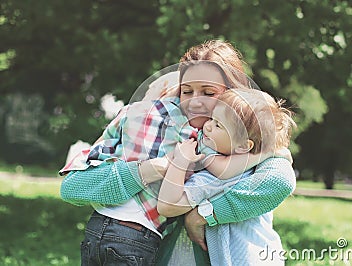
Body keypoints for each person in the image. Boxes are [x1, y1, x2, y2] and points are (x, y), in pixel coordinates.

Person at [60, 40, 296, 265]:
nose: (195, 102)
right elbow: (72, 186)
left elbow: (279, 181)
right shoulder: (147, 120)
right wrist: (149, 169)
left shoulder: (252, 133)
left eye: (209, 93)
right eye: (186, 91)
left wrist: (203, 215)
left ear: (232, 94)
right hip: (143, 246)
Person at [157, 89, 296, 265]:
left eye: (218, 125)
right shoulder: (256, 169)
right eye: (212, 118)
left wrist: (180, 162)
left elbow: (167, 205)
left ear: (244, 146)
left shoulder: (215, 179)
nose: (207, 126)